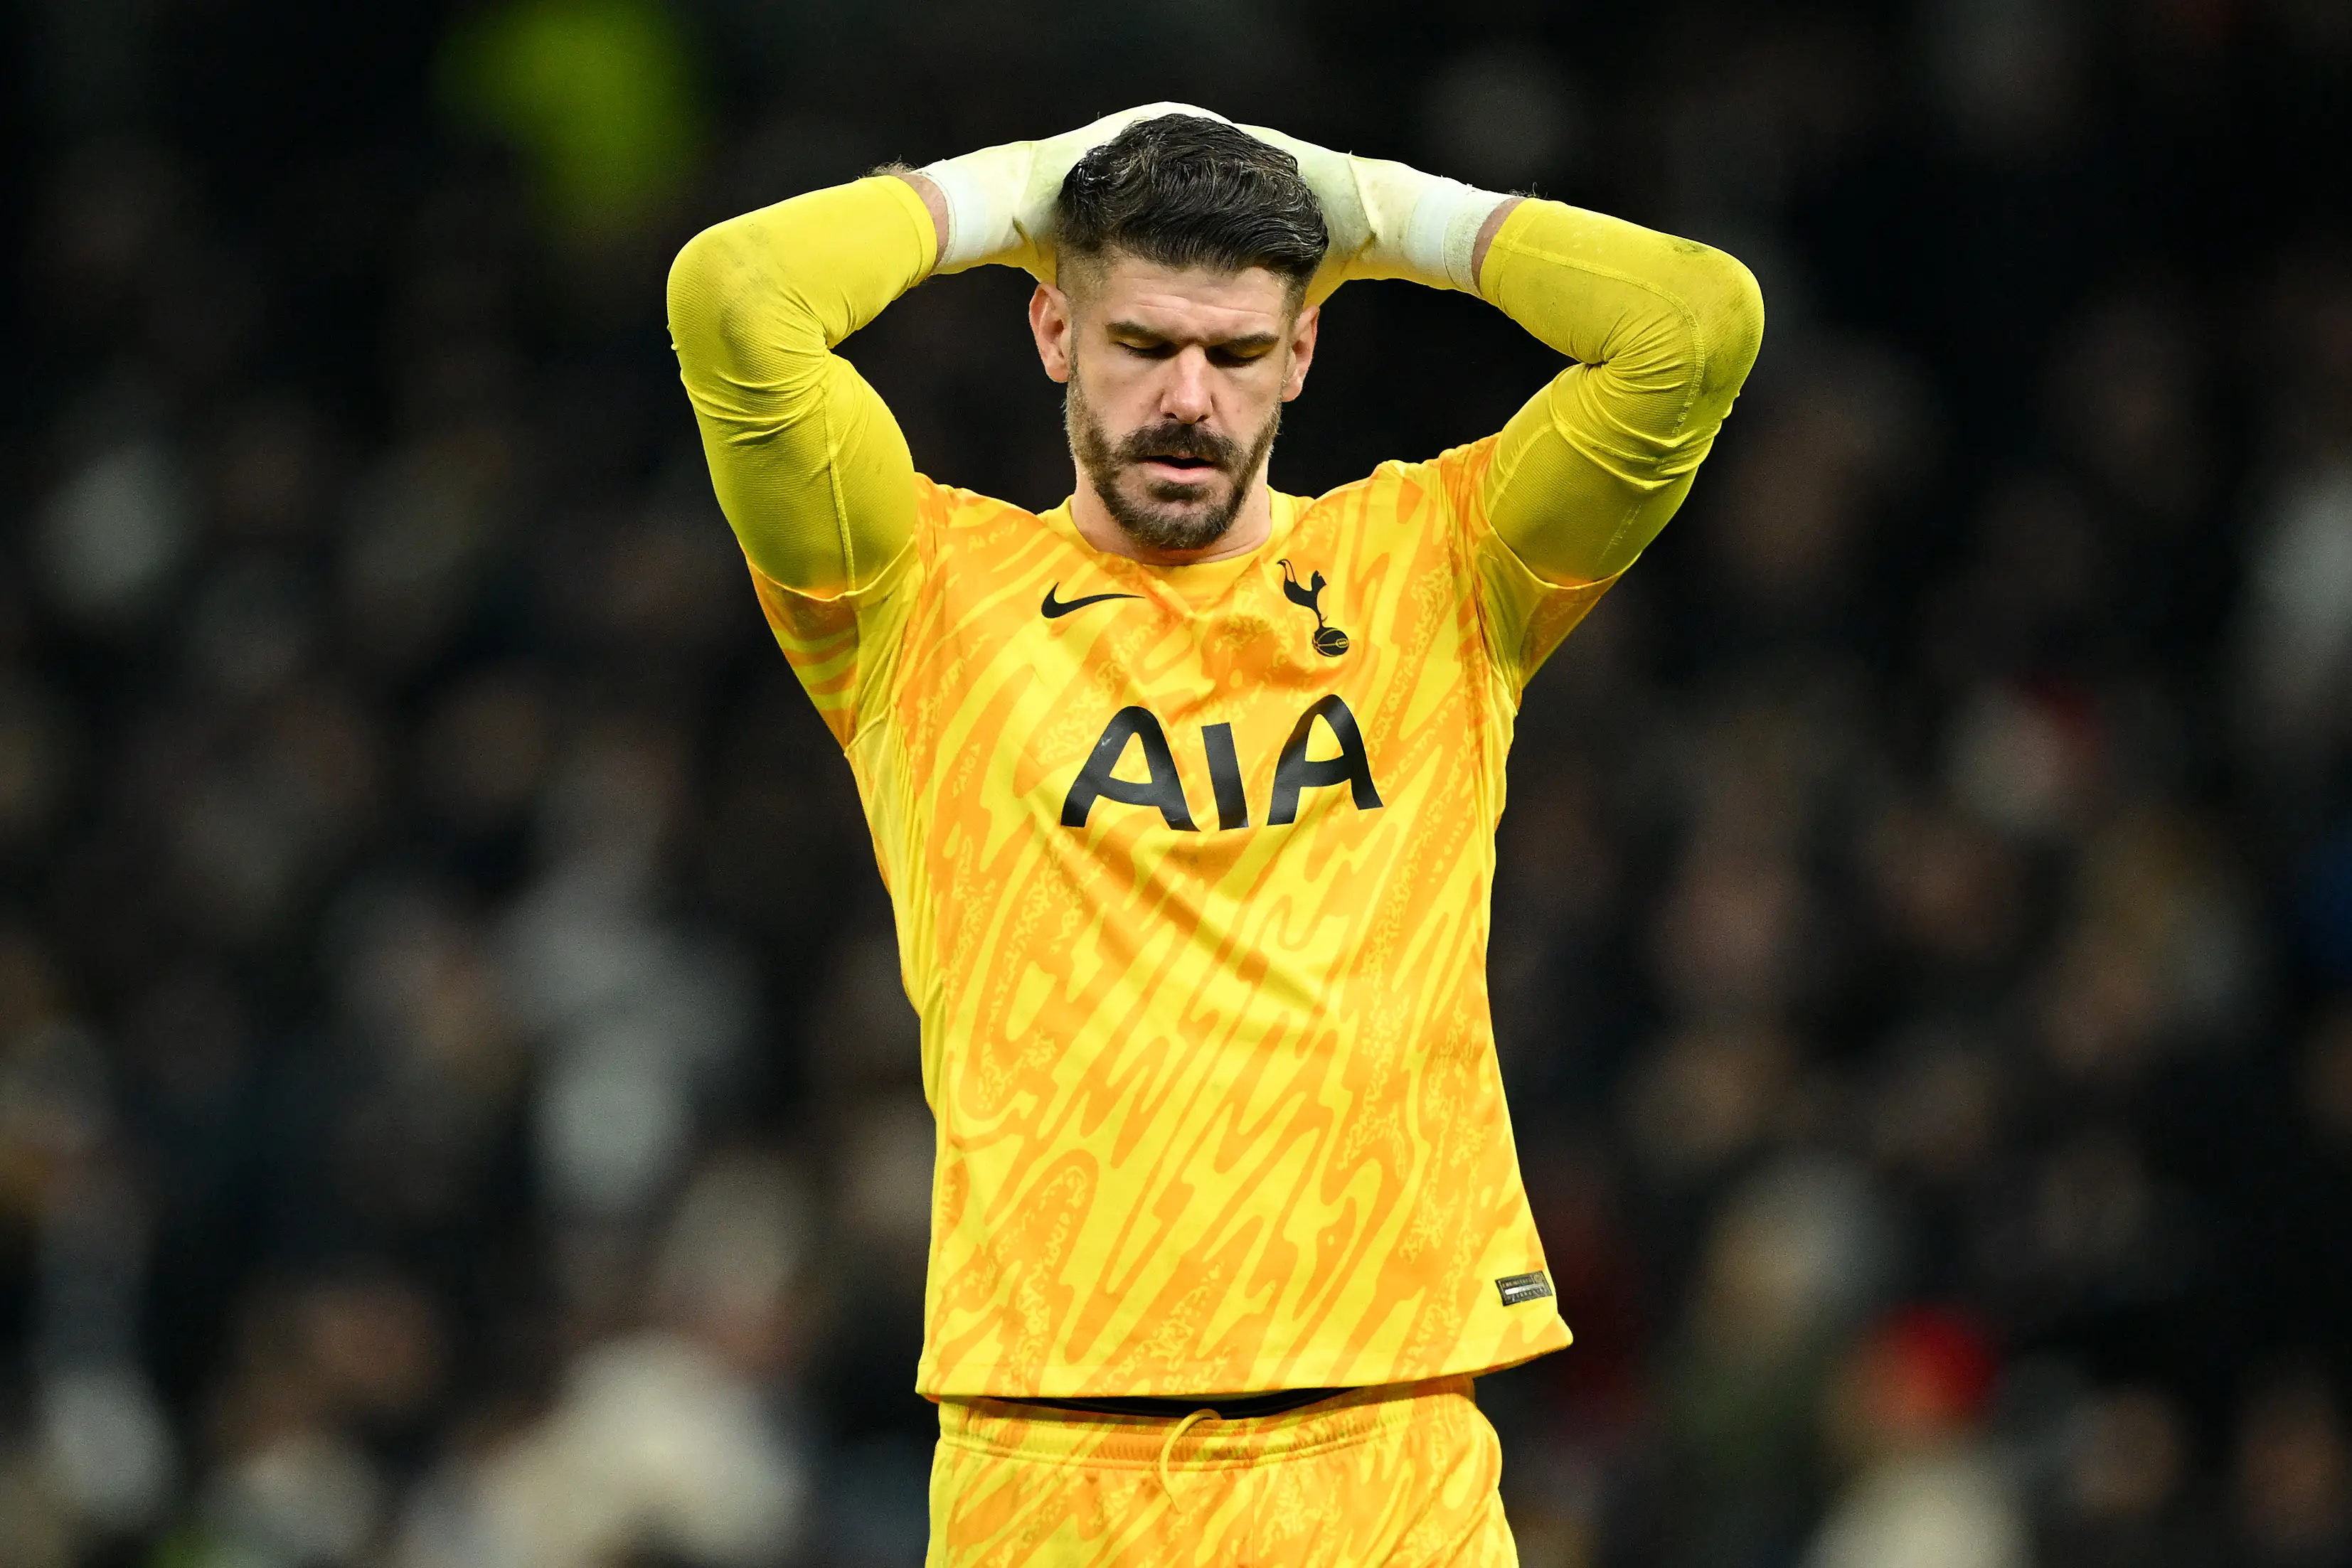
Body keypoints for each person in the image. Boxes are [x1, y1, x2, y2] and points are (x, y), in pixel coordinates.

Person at [668, 104, 1762, 1567]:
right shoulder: (916, 593)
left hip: (1392, 1456)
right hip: (1056, 1467)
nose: (1188, 398)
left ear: (1301, 354)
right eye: (1142, 347)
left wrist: (1374, 208)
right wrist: (1017, 190)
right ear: (1052, 329)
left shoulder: (1442, 563)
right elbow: (736, 299)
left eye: (1238, 354)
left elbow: (1700, 323)